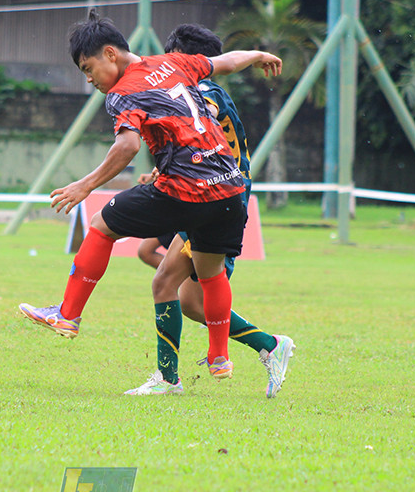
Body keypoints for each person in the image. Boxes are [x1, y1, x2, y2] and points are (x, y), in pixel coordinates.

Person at [19, 9, 281, 390]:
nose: (89, 79)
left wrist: (86, 185)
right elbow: (225, 62)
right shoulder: (174, 63)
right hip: (230, 191)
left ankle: (68, 314)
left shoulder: (124, 93)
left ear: (110, 53)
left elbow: (126, 146)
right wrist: (257, 55)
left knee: (101, 226)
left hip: (187, 191)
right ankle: (219, 358)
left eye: (88, 68)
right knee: (203, 278)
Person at [126, 23, 294, 397]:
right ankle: (270, 345)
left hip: (212, 199)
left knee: (165, 283)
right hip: (220, 195)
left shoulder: (201, 90)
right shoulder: (210, 90)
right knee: (189, 301)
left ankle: (169, 380)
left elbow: (201, 119)